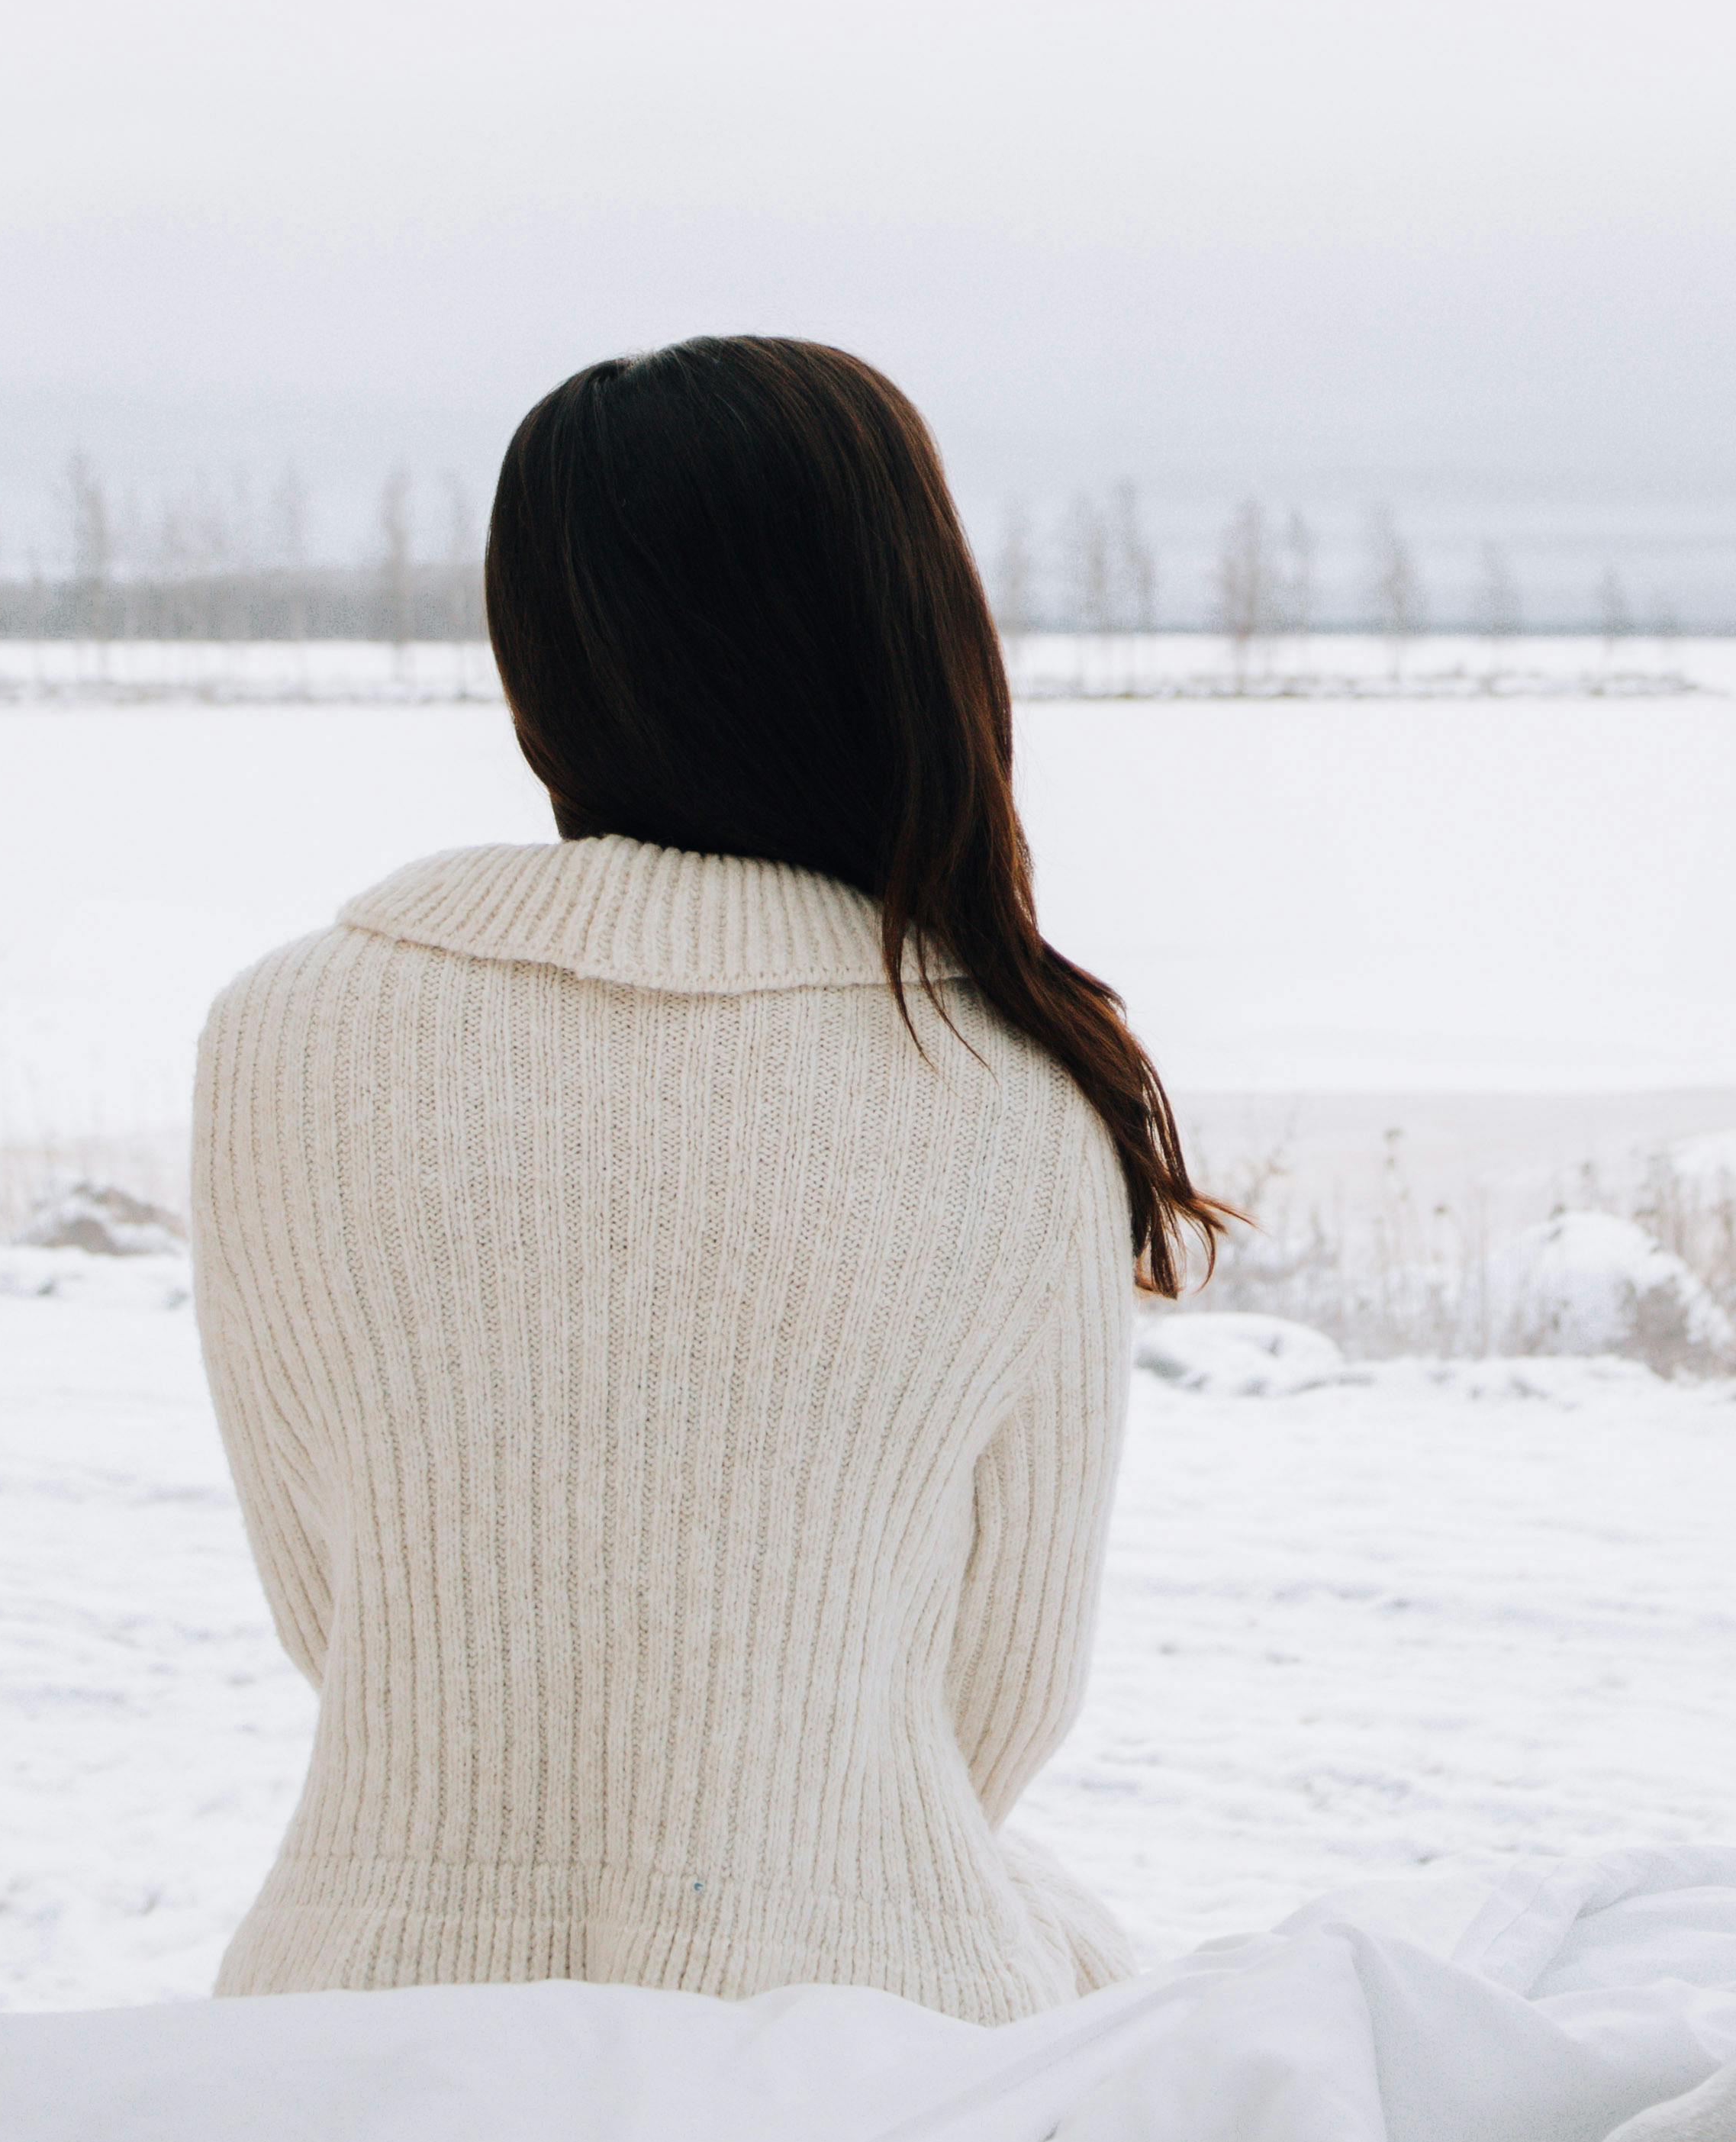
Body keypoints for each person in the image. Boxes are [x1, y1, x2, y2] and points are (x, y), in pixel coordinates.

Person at [192, 336, 1222, 2017]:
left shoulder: (284, 1031)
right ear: (910, 629)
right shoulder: (1014, 1078)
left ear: (540, 648)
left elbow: (339, 1607)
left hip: (350, 2027)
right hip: (849, 2037)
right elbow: (1005, 1695)